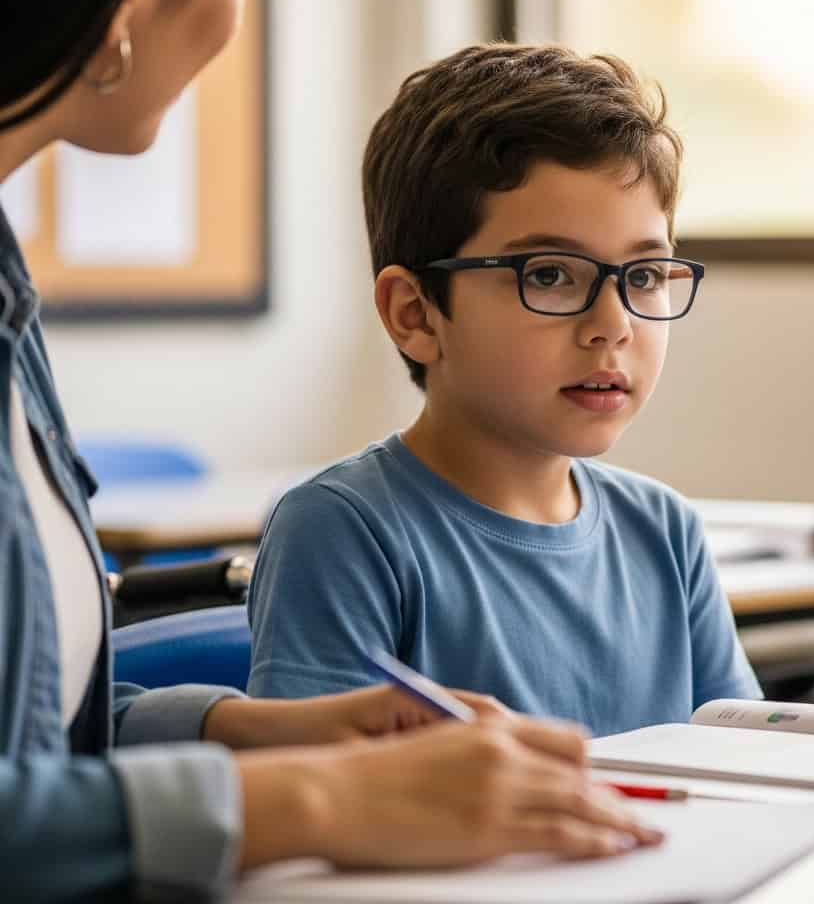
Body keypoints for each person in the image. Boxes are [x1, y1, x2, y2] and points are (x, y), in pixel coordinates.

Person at [0, 0, 660, 901]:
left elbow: (39, 741)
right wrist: (307, 797)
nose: (611, 319)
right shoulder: (347, 525)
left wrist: (246, 731)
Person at [247, 43, 762, 737]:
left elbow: (747, 759)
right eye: (549, 275)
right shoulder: (344, 531)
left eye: (643, 277)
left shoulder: (665, 530)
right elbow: (316, 788)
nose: (612, 326)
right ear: (416, 314)